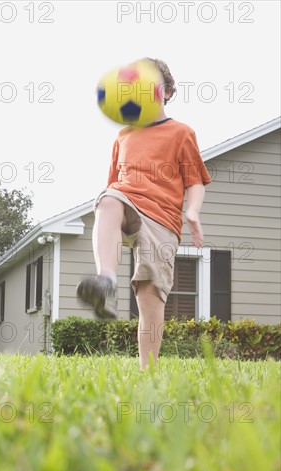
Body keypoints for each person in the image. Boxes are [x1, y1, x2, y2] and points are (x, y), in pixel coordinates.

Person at [77, 58, 212, 370]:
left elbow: (195, 182)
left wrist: (192, 212)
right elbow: (113, 183)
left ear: (165, 93)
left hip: (162, 219)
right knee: (108, 199)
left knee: (149, 298)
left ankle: (146, 371)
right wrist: (111, 211)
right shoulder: (124, 136)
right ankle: (106, 280)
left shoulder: (181, 132)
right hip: (128, 202)